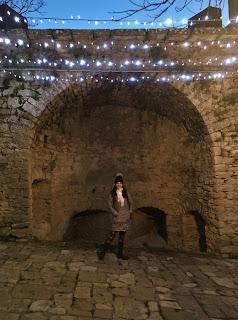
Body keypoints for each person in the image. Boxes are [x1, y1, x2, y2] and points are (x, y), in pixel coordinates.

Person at [99, 173, 134, 260]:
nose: (119, 185)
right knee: (111, 236)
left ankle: (120, 254)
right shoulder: (112, 194)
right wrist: (115, 213)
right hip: (117, 218)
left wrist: (129, 212)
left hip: (125, 218)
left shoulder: (126, 193)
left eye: (120, 183)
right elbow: (109, 205)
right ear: (115, 184)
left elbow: (131, 202)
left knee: (122, 238)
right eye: (117, 183)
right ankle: (102, 253)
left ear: (122, 184)